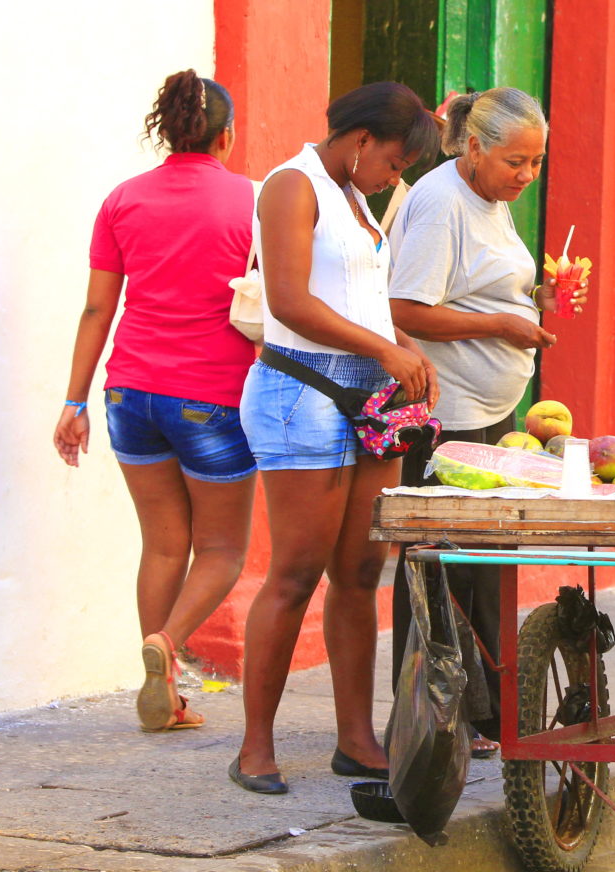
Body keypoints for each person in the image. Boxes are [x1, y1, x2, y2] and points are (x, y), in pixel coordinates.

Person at [231, 82, 441, 795]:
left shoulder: (356, 198)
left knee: (359, 573)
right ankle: (254, 748)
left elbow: (357, 296)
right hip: (301, 391)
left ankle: (357, 739)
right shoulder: (294, 186)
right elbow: (289, 301)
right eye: (394, 160)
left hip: (365, 396)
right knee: (294, 574)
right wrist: (385, 351)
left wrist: (401, 343)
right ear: (360, 141)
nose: (397, 175)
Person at [54, 70, 256, 733]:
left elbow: (95, 307)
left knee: (164, 545)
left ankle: (164, 694)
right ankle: (167, 647)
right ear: (226, 136)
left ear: (167, 132)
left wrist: (74, 402)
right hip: (212, 398)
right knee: (223, 550)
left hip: (128, 394)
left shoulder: (122, 201)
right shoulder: (253, 202)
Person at [386, 87, 584, 757]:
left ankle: (488, 714)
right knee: (447, 575)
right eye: (515, 162)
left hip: (493, 411)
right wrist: (503, 324)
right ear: (473, 147)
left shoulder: (489, 200)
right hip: (450, 417)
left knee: (490, 567)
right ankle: (432, 721)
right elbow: (408, 309)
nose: (526, 176)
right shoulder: (443, 204)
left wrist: (537, 298)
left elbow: (483, 284)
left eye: (536, 162)